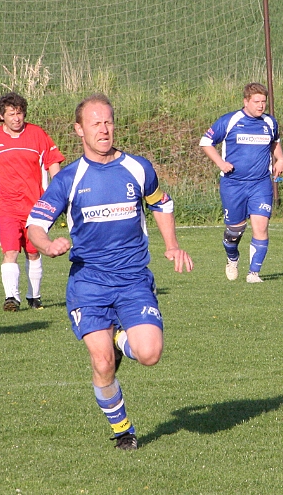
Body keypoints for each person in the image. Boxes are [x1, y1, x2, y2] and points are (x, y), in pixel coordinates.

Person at [27, 94, 193, 451]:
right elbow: (35, 225)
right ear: (79, 129)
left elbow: (161, 203)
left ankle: (119, 338)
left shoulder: (138, 168)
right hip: (89, 283)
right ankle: (123, 431)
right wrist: (47, 245)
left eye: (108, 122)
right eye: (95, 123)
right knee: (102, 363)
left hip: (133, 279)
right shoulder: (69, 178)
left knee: (150, 354)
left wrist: (172, 244)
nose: (103, 130)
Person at [0, 92, 64, 310]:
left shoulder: (37, 135)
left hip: (36, 207)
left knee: (33, 251)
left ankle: (34, 296)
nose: (16, 118)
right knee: (10, 251)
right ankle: (11, 298)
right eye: (11, 114)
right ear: (2, 116)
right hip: (6, 206)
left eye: (19, 113)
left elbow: (53, 163)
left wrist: (60, 194)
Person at [200, 82, 283, 283]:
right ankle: (232, 258)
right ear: (246, 101)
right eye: (256, 101)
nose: (261, 105)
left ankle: (253, 273)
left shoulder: (270, 123)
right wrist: (221, 163)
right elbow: (206, 142)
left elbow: (275, 143)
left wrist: (280, 159)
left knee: (261, 227)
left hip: (260, 184)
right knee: (234, 231)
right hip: (233, 184)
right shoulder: (230, 120)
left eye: (263, 101)